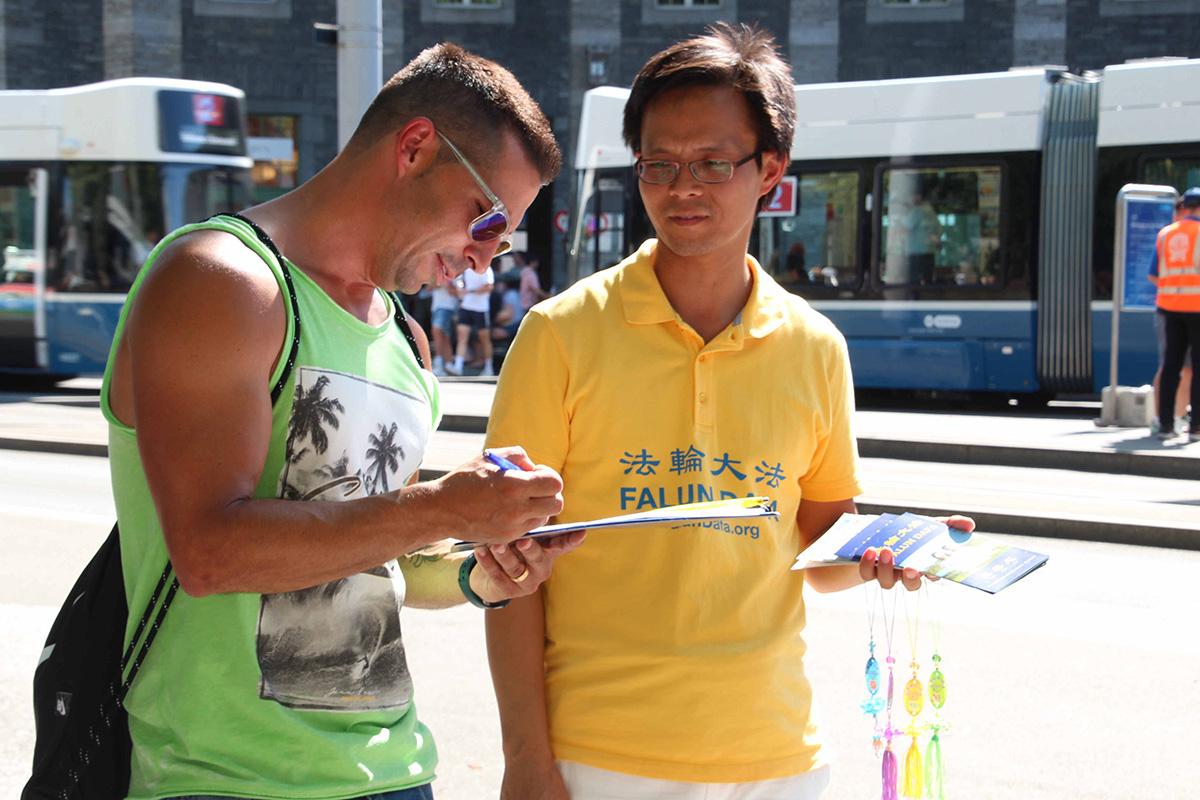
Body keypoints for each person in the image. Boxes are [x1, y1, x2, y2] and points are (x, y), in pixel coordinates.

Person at [484, 23, 974, 800]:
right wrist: (526, 763)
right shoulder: (560, 334)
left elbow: (820, 549)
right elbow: (509, 566)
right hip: (600, 757)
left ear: (769, 169)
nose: (682, 188)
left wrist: (890, 551)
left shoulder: (815, 347)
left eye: (713, 163)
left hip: (778, 758)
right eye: (660, 164)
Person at [100, 42, 584, 799]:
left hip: (396, 772)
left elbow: (376, 565)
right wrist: (439, 507)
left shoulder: (407, 340)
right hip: (226, 781)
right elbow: (208, 553)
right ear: (416, 147)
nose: (484, 260)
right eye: (486, 218)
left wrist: (479, 570)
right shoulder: (223, 280)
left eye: (505, 238)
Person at [1151, 187, 1200, 442]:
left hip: (1169, 309)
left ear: (1184, 208)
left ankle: (1166, 425)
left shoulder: (1165, 234)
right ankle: (1196, 428)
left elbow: (1154, 274)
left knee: (1171, 366)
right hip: (1197, 309)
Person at [453, 260, 495, 376]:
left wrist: (471, 291)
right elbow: (459, 284)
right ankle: (458, 366)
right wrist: (462, 292)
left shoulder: (486, 269)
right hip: (466, 306)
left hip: (481, 308)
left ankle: (489, 368)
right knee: (462, 335)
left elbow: (489, 287)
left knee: (484, 338)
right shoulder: (465, 269)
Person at [428, 280, 459, 376]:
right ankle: (448, 364)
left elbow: (458, 293)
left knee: (437, 330)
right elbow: (428, 289)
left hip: (448, 307)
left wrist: (448, 286)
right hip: (436, 307)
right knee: (445, 336)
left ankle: (438, 363)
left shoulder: (457, 276)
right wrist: (438, 282)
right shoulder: (436, 275)